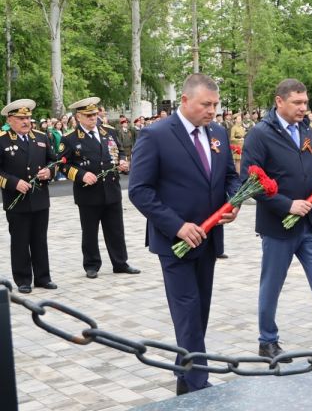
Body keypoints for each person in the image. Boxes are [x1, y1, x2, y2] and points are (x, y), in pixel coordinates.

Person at [129, 73, 240, 395]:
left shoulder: (217, 132)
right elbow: (139, 190)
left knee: (199, 311)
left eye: (215, 105)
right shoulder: (155, 135)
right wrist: (177, 225)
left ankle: (186, 380)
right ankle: (199, 387)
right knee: (188, 312)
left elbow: (230, 176)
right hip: (174, 241)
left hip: (209, 239)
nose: (212, 111)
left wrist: (233, 202)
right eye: (206, 104)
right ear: (185, 100)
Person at [241, 78, 312, 359]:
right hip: (277, 226)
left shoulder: (306, 130)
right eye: (297, 102)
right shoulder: (259, 134)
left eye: (306, 102)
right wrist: (286, 205)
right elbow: (249, 182)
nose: (304, 108)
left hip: (309, 224)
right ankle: (267, 341)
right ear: (279, 101)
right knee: (272, 284)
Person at [59, 97, 140, 279]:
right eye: (88, 115)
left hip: (111, 188)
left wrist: (122, 162)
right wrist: (81, 175)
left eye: (95, 114)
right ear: (78, 117)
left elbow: (119, 150)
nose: (93, 117)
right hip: (88, 192)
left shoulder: (108, 131)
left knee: (116, 230)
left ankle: (120, 262)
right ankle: (91, 264)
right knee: (90, 231)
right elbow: (62, 165)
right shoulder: (70, 138)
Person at [0, 99, 57, 293]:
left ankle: (43, 277)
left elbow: (53, 161)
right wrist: (13, 183)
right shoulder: (2, 139)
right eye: (21, 118)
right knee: (20, 241)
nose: (26, 121)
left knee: (40, 240)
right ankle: (23, 279)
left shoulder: (41, 137)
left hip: (40, 199)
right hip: (16, 201)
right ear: (10, 120)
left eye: (28, 118)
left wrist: (49, 172)